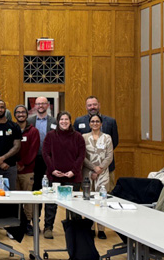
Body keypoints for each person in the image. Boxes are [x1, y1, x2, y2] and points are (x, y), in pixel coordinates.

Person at [42, 111, 86, 239]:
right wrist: (52, 170)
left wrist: (73, 171)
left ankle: (76, 230)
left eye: (66, 119)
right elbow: (46, 154)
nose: (64, 122)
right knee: (51, 204)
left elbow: (81, 156)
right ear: (58, 121)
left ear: (70, 121)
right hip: (54, 176)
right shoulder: (50, 136)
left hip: (72, 177)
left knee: (74, 205)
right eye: (61, 119)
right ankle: (48, 227)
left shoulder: (78, 137)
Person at [74, 96, 119, 189]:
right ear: (86, 107)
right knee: (87, 193)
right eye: (89, 105)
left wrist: (101, 166)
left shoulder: (110, 121)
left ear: (99, 105)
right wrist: (93, 167)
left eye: (94, 104)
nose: (92, 107)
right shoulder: (79, 121)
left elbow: (114, 142)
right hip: (86, 166)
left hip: (106, 167)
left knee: (107, 193)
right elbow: (76, 144)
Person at [27, 96, 56, 235]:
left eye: (43, 103)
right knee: (36, 192)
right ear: (35, 106)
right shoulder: (29, 122)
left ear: (48, 105)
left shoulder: (55, 122)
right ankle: (35, 223)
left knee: (50, 193)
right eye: (38, 103)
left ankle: (49, 226)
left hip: (51, 161)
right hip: (34, 161)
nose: (40, 106)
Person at [82, 113, 113, 239]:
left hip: (103, 173)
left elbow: (109, 156)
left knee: (101, 200)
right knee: (88, 200)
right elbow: (82, 156)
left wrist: (99, 169)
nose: (95, 123)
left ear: (101, 123)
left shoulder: (107, 138)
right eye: (92, 121)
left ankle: (101, 229)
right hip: (88, 172)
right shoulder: (84, 137)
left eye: (97, 121)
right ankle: (89, 227)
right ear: (89, 124)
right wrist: (93, 168)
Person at [13, 104, 40, 234]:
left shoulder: (33, 131)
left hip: (27, 170)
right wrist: (15, 163)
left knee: (28, 199)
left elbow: (33, 151)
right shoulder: (11, 129)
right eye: (18, 112)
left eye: (23, 112)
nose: (21, 114)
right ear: (15, 115)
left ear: (27, 114)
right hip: (12, 169)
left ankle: (28, 223)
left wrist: (22, 163)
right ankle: (17, 222)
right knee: (14, 198)